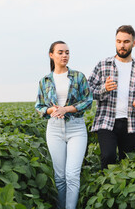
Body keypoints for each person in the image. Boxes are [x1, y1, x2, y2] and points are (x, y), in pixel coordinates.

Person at [35, 41, 93, 209]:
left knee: (72, 174)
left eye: (67, 52)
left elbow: (88, 101)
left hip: (76, 128)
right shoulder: (44, 81)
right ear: (51, 55)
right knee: (60, 177)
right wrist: (51, 110)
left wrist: (66, 109)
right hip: (54, 129)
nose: (64, 55)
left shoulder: (78, 77)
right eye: (60, 52)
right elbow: (39, 107)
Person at [88, 25, 135, 170]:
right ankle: (106, 189)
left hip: (131, 123)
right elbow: (88, 91)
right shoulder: (103, 65)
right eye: (118, 41)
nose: (122, 45)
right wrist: (104, 88)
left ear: (133, 43)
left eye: (126, 42)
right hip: (106, 120)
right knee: (108, 156)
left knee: (129, 163)